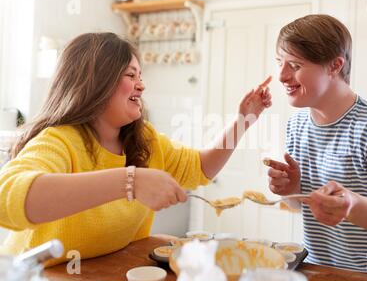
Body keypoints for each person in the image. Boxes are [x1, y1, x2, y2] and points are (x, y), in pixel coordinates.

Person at [0, 32, 272, 266]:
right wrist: (130, 181)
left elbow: (200, 168)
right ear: (96, 82)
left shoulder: (146, 140)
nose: (142, 85)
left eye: (140, 75)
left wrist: (244, 119)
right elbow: (6, 199)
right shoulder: (60, 141)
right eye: (131, 75)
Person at [265, 14, 367, 281]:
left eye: (294, 64)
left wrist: (352, 205)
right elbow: (298, 206)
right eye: (280, 63)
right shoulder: (297, 124)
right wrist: (291, 189)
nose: (281, 75)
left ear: (335, 65)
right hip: (318, 271)